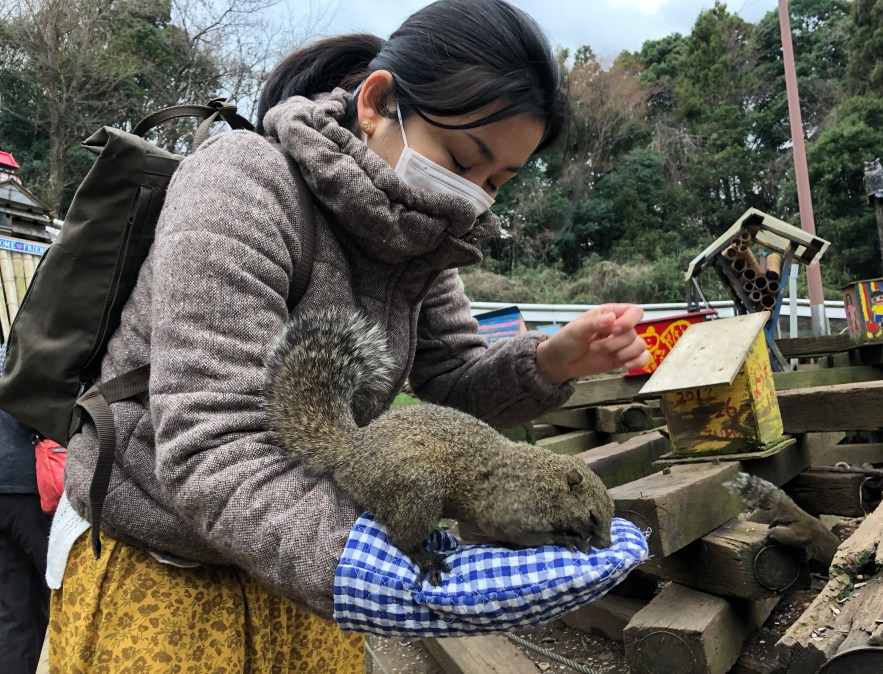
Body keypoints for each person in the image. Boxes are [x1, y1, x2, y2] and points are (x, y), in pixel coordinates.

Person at [48, 0, 650, 671]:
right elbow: (212, 441)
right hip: (169, 562)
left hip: (306, 563)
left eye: (494, 183)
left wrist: (548, 362)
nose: (470, 196)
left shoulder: (423, 237)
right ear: (376, 103)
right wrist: (369, 570)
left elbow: (452, 385)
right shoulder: (240, 181)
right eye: (461, 160)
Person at [0, 344, 52, 674]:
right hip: (35, 491)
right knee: (75, 590)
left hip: (5, 497)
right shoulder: (22, 353)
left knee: (15, 612)